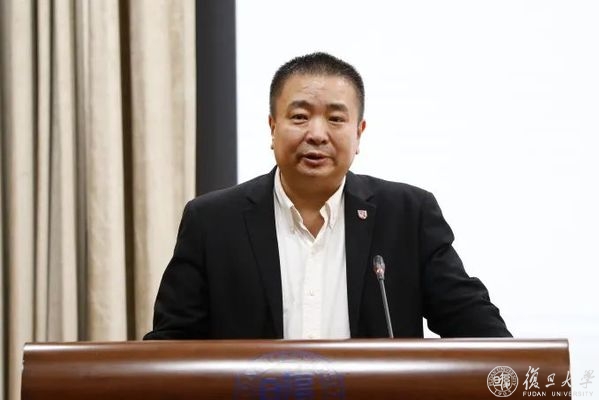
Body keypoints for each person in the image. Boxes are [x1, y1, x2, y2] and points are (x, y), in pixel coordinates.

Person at [144, 52, 511, 340]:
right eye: (299, 117)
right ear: (272, 128)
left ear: (359, 133)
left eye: (336, 119)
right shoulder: (212, 222)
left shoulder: (408, 215)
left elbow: (479, 330)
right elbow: (171, 347)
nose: (317, 134)